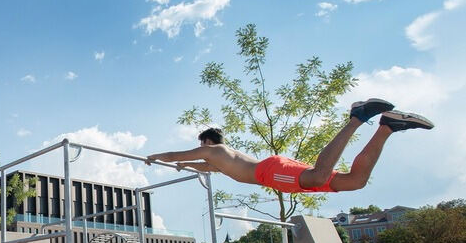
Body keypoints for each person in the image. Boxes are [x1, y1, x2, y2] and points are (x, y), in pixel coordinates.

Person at [145, 99, 433, 194]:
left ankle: (357, 117)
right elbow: (206, 167)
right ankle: (387, 127)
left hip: (271, 173)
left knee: (320, 175)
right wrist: (185, 166)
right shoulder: (221, 158)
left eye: (200, 146)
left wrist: (158, 157)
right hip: (275, 171)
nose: (200, 151)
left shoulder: (214, 150)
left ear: (206, 141)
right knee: (355, 182)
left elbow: (179, 154)